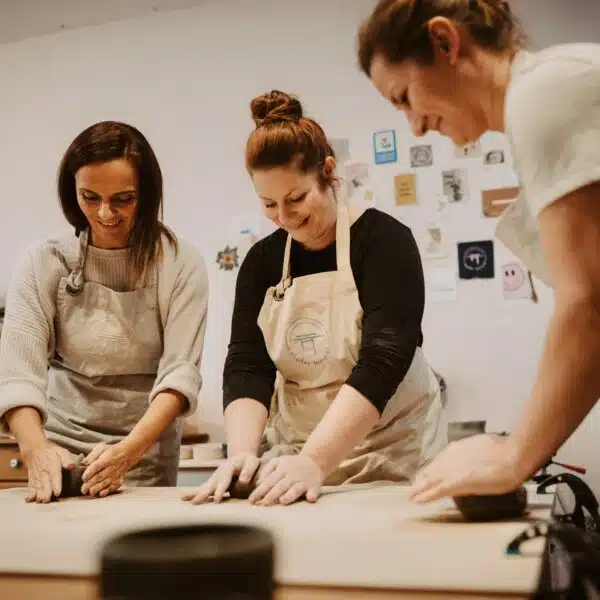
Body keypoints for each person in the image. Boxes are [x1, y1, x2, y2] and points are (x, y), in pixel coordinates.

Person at [356, 0, 600, 502]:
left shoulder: (543, 94)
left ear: (446, 42)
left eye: (405, 97)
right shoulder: (545, 95)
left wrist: (515, 457)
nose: (416, 126)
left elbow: (589, 302)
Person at [184, 90, 447, 507]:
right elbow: (248, 366)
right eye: (269, 204)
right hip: (296, 453)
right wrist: (242, 457)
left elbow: (384, 359)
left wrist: (317, 460)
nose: (285, 218)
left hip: (391, 450)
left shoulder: (384, 242)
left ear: (328, 172)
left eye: (297, 198)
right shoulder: (261, 262)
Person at [0, 121, 209, 503]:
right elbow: (18, 373)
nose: (106, 213)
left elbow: (180, 374)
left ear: (147, 193)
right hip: (58, 452)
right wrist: (35, 449)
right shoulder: (43, 261)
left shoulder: (180, 263)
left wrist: (128, 453)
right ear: (71, 192)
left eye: (123, 199)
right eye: (90, 197)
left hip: (143, 457)